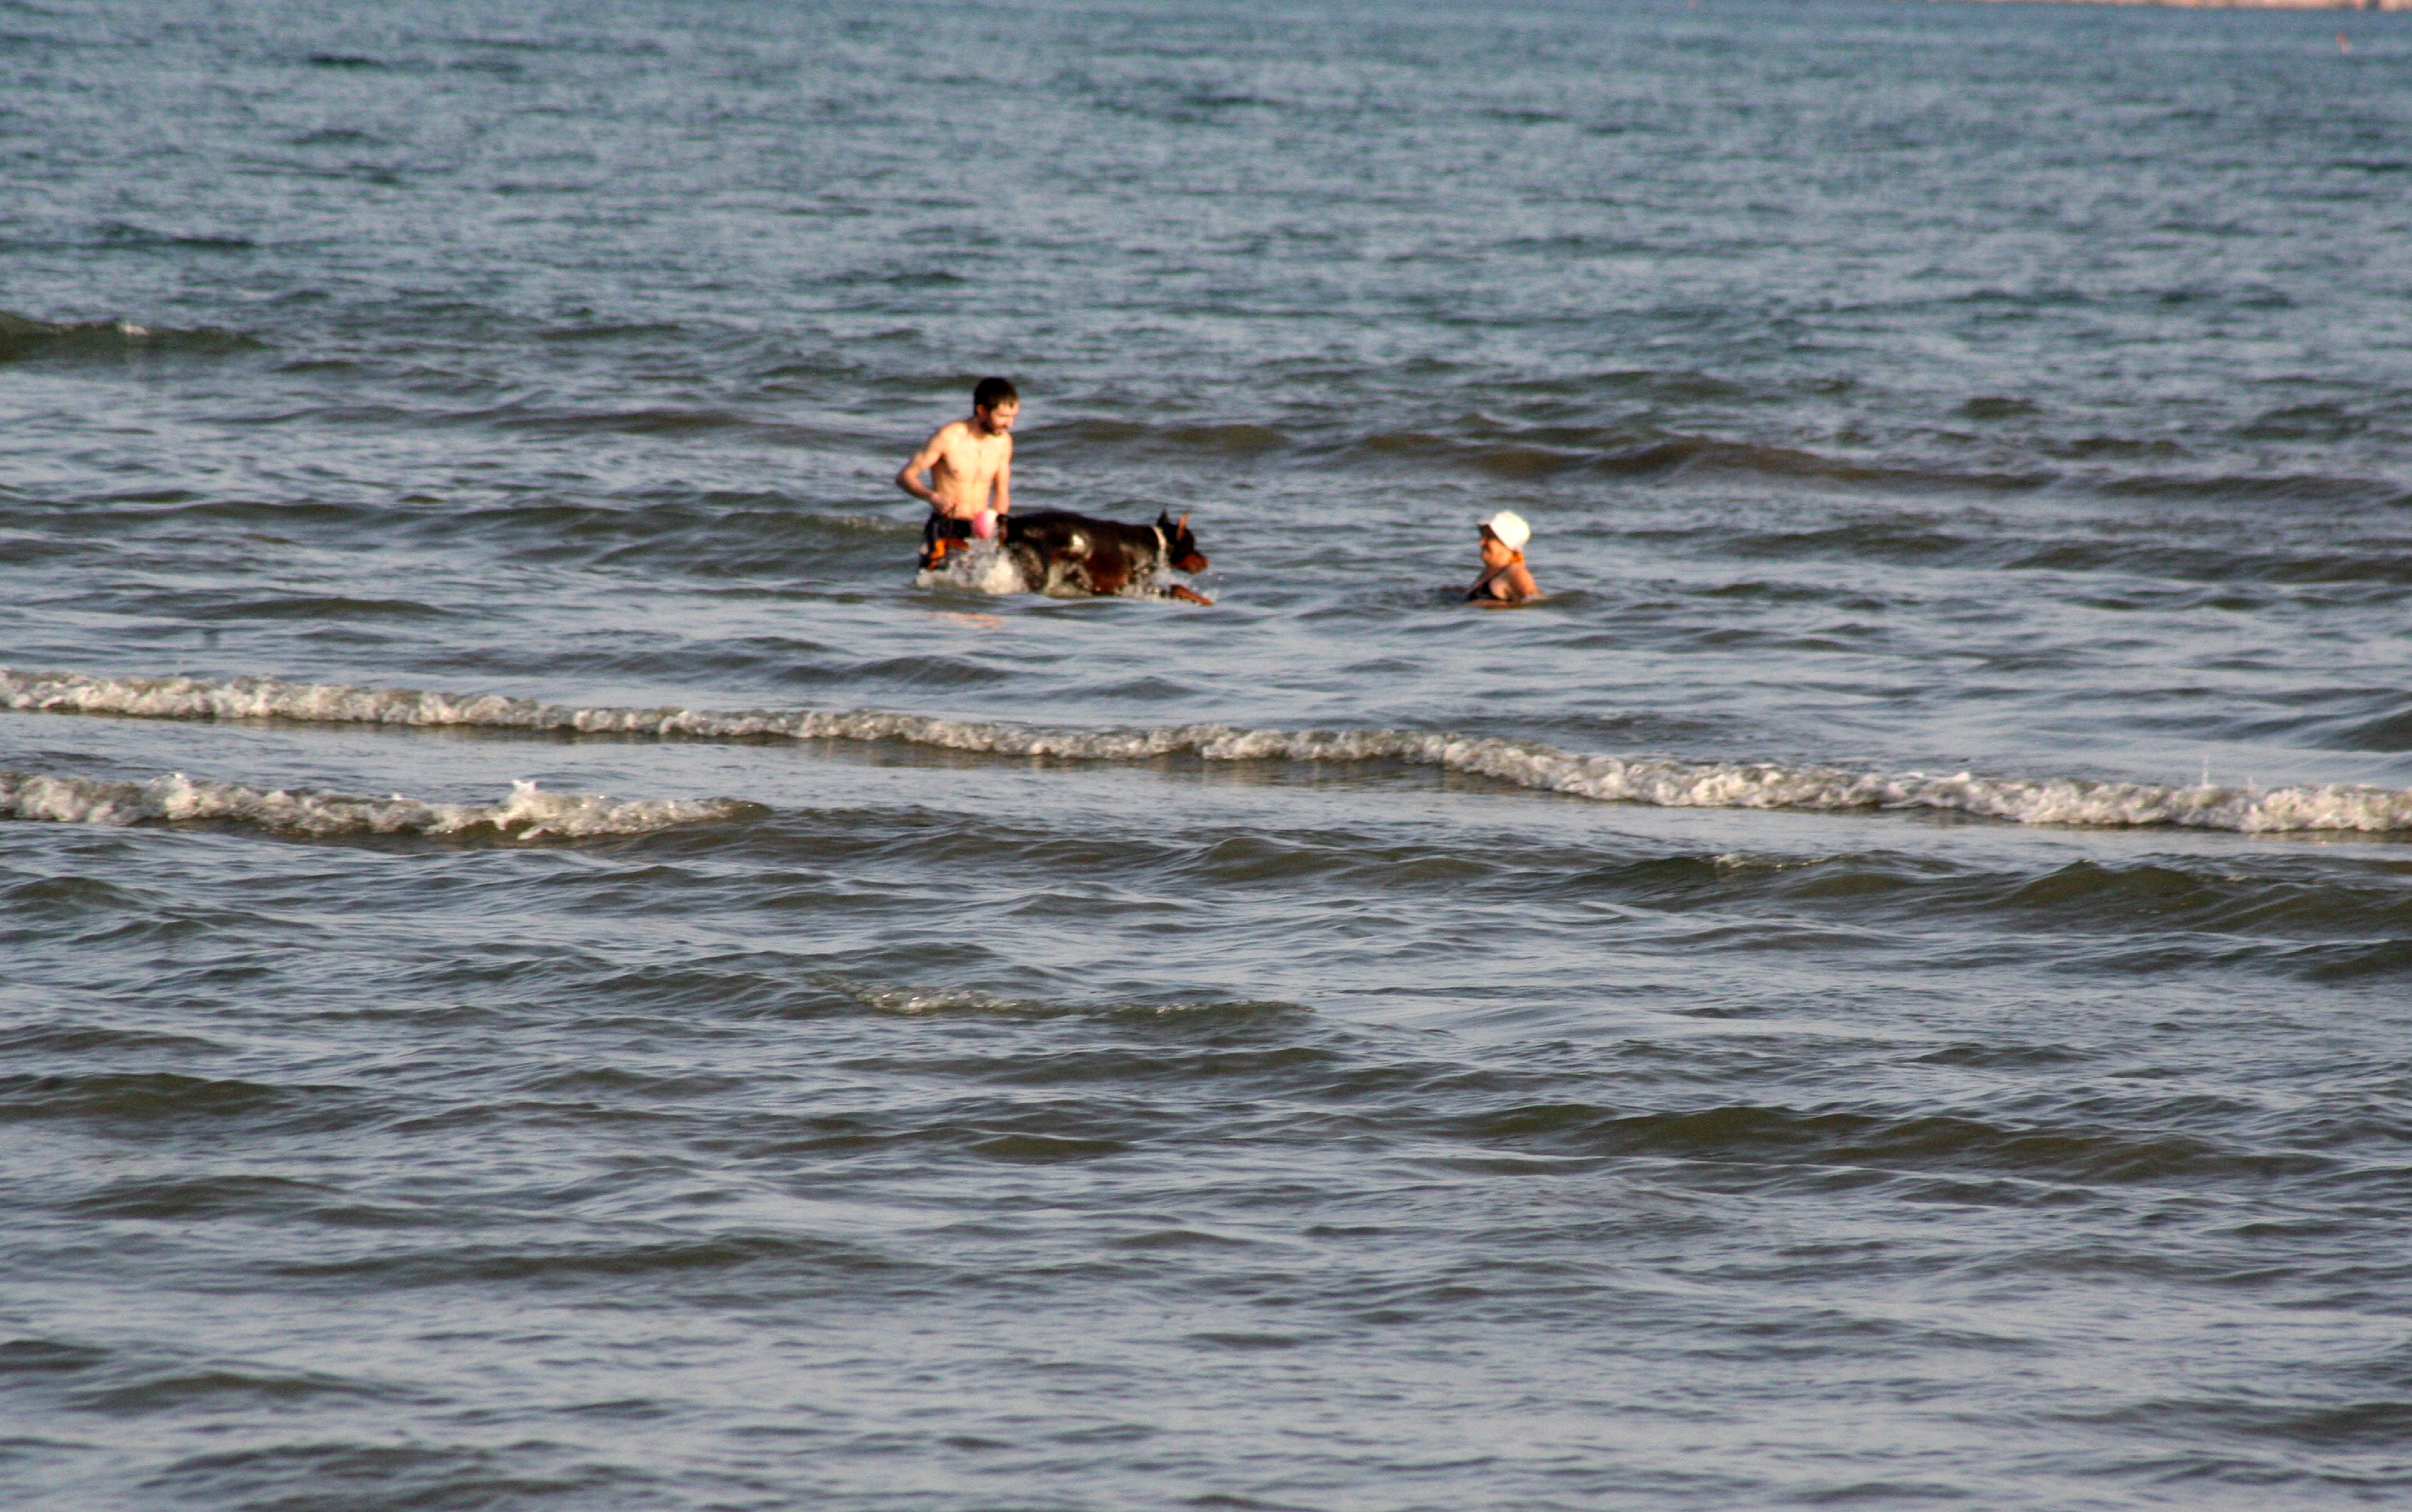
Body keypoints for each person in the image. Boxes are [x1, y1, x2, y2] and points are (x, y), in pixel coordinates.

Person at [898, 377, 1018, 570]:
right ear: (982, 411)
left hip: (982, 530)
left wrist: (999, 524)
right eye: (1003, 417)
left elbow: (1002, 491)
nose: (1009, 425)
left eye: (1013, 417)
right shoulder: (948, 437)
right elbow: (905, 477)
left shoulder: (1004, 443)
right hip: (947, 525)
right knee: (933, 585)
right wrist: (934, 498)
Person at [1466, 510, 1541, 605]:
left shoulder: (1515, 573)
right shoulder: (1491, 572)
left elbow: (1535, 603)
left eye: (1489, 538)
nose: (1481, 543)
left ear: (1507, 544)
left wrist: (1500, 606)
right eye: (1483, 536)